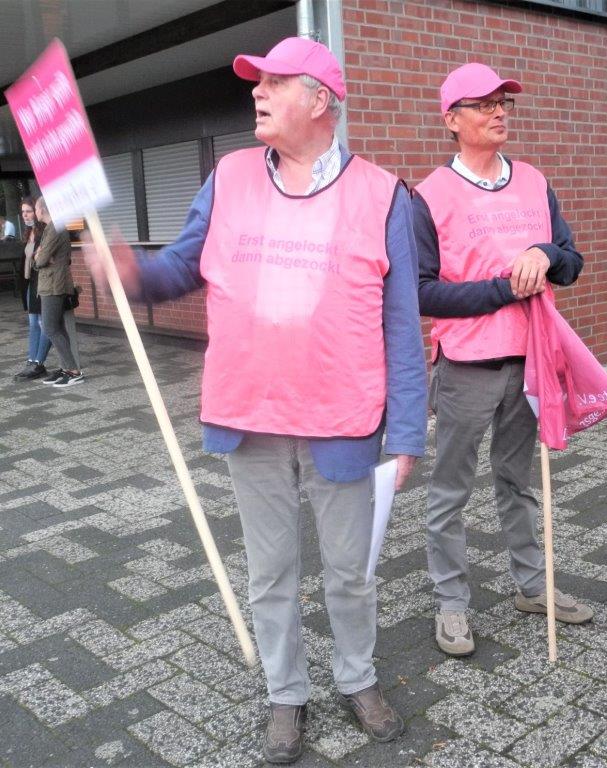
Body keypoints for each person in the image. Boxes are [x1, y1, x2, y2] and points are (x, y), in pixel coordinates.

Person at [85, 37, 427, 765]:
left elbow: (402, 321)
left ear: (320, 100)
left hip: (343, 420)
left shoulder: (383, 194)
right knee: (271, 574)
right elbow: (182, 267)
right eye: (256, 81)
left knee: (349, 572)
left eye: (274, 82)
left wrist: (406, 432)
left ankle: (357, 678)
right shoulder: (229, 177)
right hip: (251, 415)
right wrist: (132, 272)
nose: (256, 92)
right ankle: (285, 692)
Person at [412, 62, 593, 657]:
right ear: (452, 119)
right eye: (484, 103)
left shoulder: (535, 181)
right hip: (467, 368)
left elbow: (570, 262)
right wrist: (502, 288)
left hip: (531, 361)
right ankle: (452, 604)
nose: (498, 112)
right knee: (450, 492)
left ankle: (532, 587)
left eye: (503, 102)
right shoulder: (429, 196)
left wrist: (545, 252)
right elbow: (420, 292)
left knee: (519, 483)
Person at [34, 196, 84, 387]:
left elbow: (40, 259)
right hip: (52, 283)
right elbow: (40, 257)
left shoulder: (55, 227)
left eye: (35, 208)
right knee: (58, 327)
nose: (35, 212)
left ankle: (73, 371)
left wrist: (40, 257)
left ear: (43, 209)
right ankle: (67, 368)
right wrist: (41, 257)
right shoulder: (51, 227)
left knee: (50, 327)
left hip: (54, 285)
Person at [13, 197, 51, 380]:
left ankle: (38, 363)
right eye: (23, 212)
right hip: (30, 284)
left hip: (42, 284)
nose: (25, 215)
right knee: (33, 324)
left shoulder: (45, 232)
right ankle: (31, 361)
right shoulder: (29, 233)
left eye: (28, 211)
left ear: (37, 212)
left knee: (44, 324)